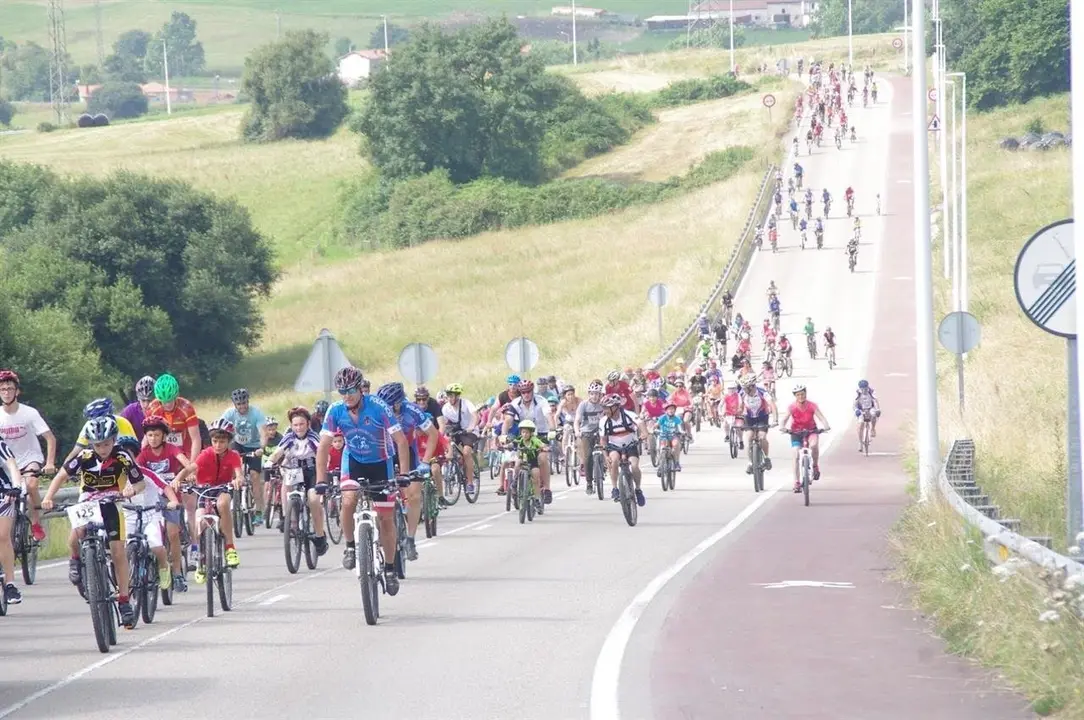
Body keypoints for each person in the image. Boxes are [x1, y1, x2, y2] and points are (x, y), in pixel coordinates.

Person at [315, 367, 411, 597]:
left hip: (381, 462)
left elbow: (400, 441)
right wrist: (320, 479)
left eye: (350, 390)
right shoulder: (336, 410)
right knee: (348, 500)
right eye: (342, 391)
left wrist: (404, 475)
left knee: (386, 518)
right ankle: (350, 546)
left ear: (360, 388)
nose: (346, 395)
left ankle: (389, 568)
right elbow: (324, 446)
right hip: (354, 460)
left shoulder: (378, 407)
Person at [41, 417, 145, 628]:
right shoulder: (83, 456)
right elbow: (61, 476)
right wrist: (48, 497)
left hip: (112, 501)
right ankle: (76, 561)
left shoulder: (122, 456)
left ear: (114, 440)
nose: (103, 448)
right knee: (74, 537)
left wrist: (131, 490)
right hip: (88, 501)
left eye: (107, 443)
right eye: (98, 444)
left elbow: (140, 482)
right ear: (91, 444)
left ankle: (124, 600)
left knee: (118, 552)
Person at [173, 419, 244, 582]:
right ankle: (200, 562)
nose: (218, 445)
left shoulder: (233, 455)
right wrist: (178, 479)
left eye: (223, 442)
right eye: (215, 441)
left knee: (223, 504)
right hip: (204, 491)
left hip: (223, 489)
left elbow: (238, 473)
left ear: (229, 441)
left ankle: (230, 548)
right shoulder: (206, 454)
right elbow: (190, 468)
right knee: (199, 522)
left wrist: (238, 479)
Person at [374, 383, 436, 560]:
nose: (388, 409)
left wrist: (425, 462)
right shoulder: (377, 411)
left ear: (399, 402)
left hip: (408, 453)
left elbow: (432, 434)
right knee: (377, 493)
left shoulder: (412, 410)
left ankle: (410, 538)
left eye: (391, 405)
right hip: (384, 453)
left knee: (414, 495)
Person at [0, 369, 56, 543]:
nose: (6, 393)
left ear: (17, 391)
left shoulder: (29, 413)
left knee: (31, 484)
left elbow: (50, 438)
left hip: (29, 459)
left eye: (10, 389)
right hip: (7, 465)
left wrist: (49, 462)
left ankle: (36, 522)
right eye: (3, 389)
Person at [138, 414, 193, 592]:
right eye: (150, 435)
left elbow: (189, 465)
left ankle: (177, 573)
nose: (153, 439)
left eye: (157, 435)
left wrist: (179, 477)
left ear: (164, 435)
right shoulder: (144, 454)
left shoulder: (171, 449)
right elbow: (135, 472)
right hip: (152, 499)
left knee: (172, 533)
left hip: (170, 498)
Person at [268, 407, 328, 557]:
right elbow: (278, 452)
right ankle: (288, 519)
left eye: (301, 424)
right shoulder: (289, 437)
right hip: (294, 470)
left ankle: (320, 535)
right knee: (285, 486)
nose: (298, 428)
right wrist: (269, 462)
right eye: (295, 425)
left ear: (308, 424)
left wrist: (325, 468)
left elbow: (322, 452)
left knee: (313, 499)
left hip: (312, 470)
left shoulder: (313, 437)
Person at [222, 388, 267, 526]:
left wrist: (261, 448)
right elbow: (221, 430)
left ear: (248, 401)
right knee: (235, 469)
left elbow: (263, 434)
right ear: (235, 404)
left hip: (254, 446)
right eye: (239, 404)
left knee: (254, 476)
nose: (242, 406)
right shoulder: (229, 414)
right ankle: (234, 495)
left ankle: (259, 512)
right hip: (237, 444)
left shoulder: (256, 413)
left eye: (244, 403)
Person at [502, 380, 552, 502]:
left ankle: (546, 489)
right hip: (525, 434)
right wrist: (503, 434)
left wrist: (553, 430)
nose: (526, 394)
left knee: (542, 458)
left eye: (528, 392)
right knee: (519, 458)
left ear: (532, 391)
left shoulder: (541, 401)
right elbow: (508, 420)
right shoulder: (515, 403)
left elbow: (549, 416)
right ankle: (517, 482)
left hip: (541, 433)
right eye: (523, 392)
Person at [780, 384, 832, 491]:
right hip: (796, 432)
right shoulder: (792, 407)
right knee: (795, 453)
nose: (801, 397)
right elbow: (784, 419)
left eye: (802, 394)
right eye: (798, 395)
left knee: (813, 445)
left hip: (811, 430)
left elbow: (821, 417)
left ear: (805, 394)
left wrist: (826, 426)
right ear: (795, 396)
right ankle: (796, 482)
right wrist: (782, 427)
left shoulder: (812, 405)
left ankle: (815, 466)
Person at [600, 394, 647, 507]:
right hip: (614, 447)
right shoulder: (603, 421)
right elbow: (603, 440)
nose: (605, 411)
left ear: (615, 407)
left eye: (607, 408)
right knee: (614, 460)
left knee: (634, 466)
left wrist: (644, 433)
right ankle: (615, 488)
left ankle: (638, 489)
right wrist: (605, 456)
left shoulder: (628, 415)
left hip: (630, 445)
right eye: (604, 408)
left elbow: (640, 423)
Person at [145, 374, 202, 461]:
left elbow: (195, 439)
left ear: (176, 396)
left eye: (170, 400)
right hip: (162, 454)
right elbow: (146, 438)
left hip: (186, 453)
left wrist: (192, 464)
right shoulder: (152, 408)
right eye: (164, 402)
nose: (167, 405)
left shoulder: (186, 408)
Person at [66, 398, 137, 463]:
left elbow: (130, 452)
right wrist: (65, 467)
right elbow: (76, 451)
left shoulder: (122, 422)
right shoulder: (89, 426)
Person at [442, 382, 481, 496]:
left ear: (458, 396)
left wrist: (471, 426)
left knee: (466, 452)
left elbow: (475, 415)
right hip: (456, 432)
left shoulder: (466, 403)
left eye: (452, 395)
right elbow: (443, 422)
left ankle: (470, 483)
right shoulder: (445, 408)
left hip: (469, 432)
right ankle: (455, 467)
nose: (450, 398)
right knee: (449, 447)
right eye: (448, 395)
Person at [0, 438, 26, 604]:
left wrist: (16, 486)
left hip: (3, 493)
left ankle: (10, 584)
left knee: (2, 536)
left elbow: (11, 465)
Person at [739, 377, 776, 475]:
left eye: (746, 388)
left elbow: (772, 405)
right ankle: (750, 463)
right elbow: (740, 407)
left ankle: (766, 458)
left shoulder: (762, 392)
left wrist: (775, 420)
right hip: (749, 418)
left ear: (751, 386)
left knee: (762, 437)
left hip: (762, 417)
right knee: (748, 438)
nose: (744, 390)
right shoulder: (742, 394)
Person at [574, 381, 606, 491]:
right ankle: (589, 482)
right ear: (589, 394)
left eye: (597, 393)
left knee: (607, 449)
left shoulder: (603, 404)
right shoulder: (583, 404)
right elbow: (577, 420)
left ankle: (604, 465)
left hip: (601, 431)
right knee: (587, 457)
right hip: (586, 432)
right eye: (592, 393)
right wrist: (577, 431)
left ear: (600, 394)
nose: (594, 396)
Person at [509, 420, 547, 500]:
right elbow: (513, 443)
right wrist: (507, 446)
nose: (525, 434)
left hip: (532, 461)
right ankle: (515, 482)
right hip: (522, 460)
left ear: (531, 433)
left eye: (527, 432)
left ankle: (537, 498)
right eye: (523, 432)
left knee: (536, 477)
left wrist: (544, 447)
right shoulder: (520, 440)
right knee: (517, 463)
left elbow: (540, 444)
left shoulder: (534, 440)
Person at [120, 376, 156, 441]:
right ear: (138, 399)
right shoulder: (129, 411)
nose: (146, 405)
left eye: (150, 401)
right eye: (143, 400)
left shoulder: (161, 411)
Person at [655, 402, 684, 472]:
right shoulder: (662, 418)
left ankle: (676, 463)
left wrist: (681, 431)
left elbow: (680, 427)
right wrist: (652, 429)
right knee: (660, 449)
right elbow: (656, 425)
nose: (671, 410)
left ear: (675, 410)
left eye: (673, 409)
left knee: (676, 445)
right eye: (669, 409)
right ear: (666, 410)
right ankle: (660, 465)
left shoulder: (677, 418)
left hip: (673, 436)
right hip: (664, 436)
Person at [854, 379, 882, 444]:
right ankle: (860, 442)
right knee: (861, 423)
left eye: (865, 388)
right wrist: (856, 410)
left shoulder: (871, 392)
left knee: (873, 415)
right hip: (861, 409)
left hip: (870, 408)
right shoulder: (857, 393)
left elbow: (875, 401)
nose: (864, 390)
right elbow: (854, 404)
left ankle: (872, 429)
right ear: (860, 388)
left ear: (867, 387)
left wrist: (878, 409)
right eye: (862, 389)